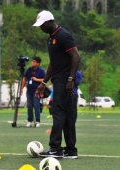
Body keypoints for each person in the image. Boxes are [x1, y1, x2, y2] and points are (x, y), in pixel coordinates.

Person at [33, 11, 81, 158]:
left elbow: (76, 57)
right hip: (58, 79)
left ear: (50, 22)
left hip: (64, 80)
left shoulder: (63, 35)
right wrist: (44, 82)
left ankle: (55, 148)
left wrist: (70, 80)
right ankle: (70, 150)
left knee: (58, 112)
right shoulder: (51, 39)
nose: (40, 28)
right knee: (67, 115)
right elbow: (53, 63)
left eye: (42, 25)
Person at [20, 57, 46, 127]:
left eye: (34, 61)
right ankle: (29, 121)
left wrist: (36, 79)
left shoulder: (41, 71)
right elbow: (24, 78)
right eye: (32, 61)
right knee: (29, 106)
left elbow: (45, 79)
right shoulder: (29, 69)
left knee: (36, 106)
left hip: (37, 91)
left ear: (38, 63)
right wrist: (22, 88)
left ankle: (37, 121)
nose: (32, 63)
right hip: (29, 91)